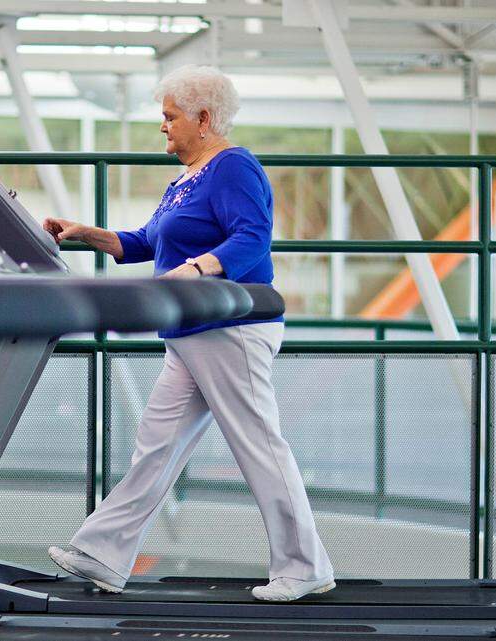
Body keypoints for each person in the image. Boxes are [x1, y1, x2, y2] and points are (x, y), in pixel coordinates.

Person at [42, 64, 334, 602]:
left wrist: (198, 270)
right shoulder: (187, 177)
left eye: (170, 116)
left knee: (259, 446)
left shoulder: (233, 168)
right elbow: (147, 240)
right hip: (189, 332)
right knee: (155, 446)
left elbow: (253, 241)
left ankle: (304, 564)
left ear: (203, 119)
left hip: (231, 331)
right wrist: (86, 233)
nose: (163, 126)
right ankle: (103, 553)